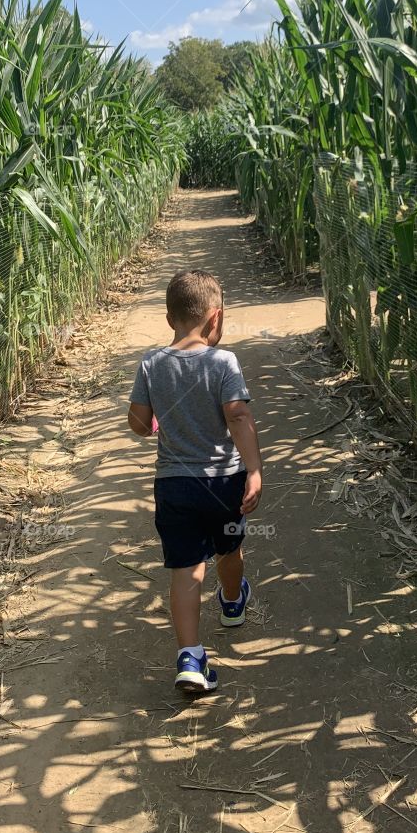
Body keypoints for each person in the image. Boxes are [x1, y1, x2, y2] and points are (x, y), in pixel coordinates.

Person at [128, 269, 263, 693]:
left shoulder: (151, 363)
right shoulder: (223, 362)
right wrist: (255, 469)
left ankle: (191, 657)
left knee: (185, 569)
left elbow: (138, 422)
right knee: (229, 548)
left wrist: (156, 424)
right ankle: (231, 602)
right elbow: (238, 415)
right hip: (222, 482)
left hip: (174, 485)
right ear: (216, 318)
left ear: (170, 319)